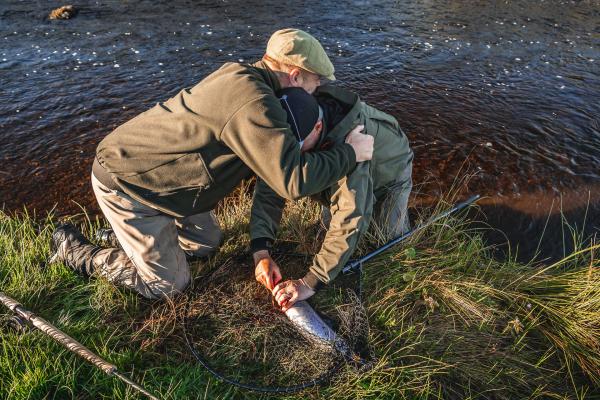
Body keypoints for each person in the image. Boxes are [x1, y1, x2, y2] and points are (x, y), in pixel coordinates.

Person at [51, 29, 375, 300]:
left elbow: (272, 160)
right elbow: (291, 182)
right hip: (130, 182)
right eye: (314, 83)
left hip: (169, 181)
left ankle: (128, 237)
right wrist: (351, 154)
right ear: (294, 75)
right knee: (167, 287)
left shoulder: (245, 76)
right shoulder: (254, 103)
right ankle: (76, 250)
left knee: (205, 244)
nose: (317, 91)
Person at [250, 86, 413, 311]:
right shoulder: (288, 123)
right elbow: (272, 184)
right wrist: (261, 250)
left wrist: (310, 282)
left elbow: (352, 215)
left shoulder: (354, 140)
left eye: (296, 147)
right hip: (341, 165)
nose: (291, 155)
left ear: (318, 127)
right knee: (329, 227)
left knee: (390, 241)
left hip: (389, 173)